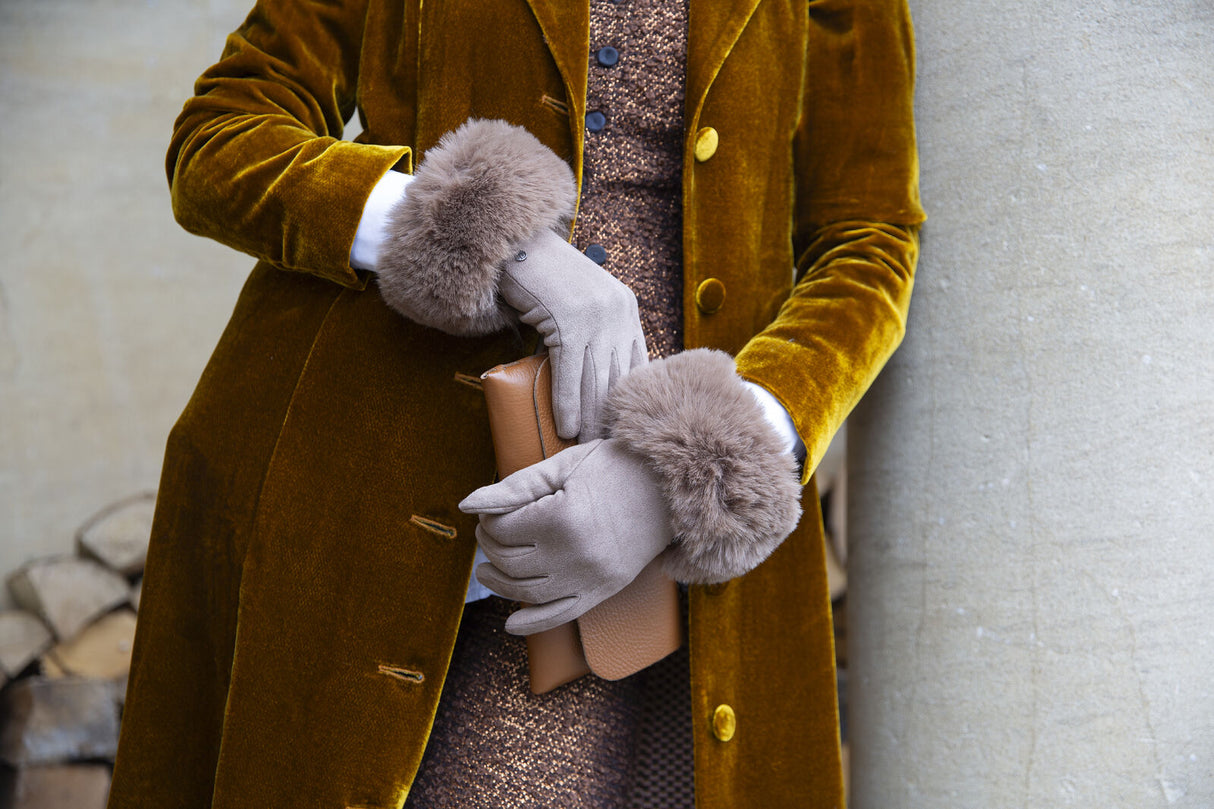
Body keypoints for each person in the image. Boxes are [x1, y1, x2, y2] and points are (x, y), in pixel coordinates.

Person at [108, 0, 924, 806]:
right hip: (374, 490)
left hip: (676, 569)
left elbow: (868, 241)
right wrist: (492, 243)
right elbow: (222, 136)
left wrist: (693, 470)